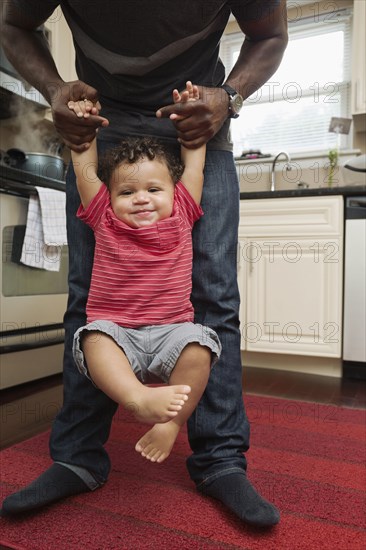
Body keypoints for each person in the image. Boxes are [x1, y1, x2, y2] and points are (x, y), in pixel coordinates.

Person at [0, 0, 288, 527]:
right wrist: (55, 91)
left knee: (215, 299)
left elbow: (271, 36)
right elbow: (13, 23)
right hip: (101, 121)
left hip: (199, 123)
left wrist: (228, 98)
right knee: (87, 301)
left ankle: (220, 460)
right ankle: (77, 457)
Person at [68, 85, 221, 464]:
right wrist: (82, 125)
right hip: (118, 333)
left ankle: (170, 424)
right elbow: (84, 167)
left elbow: (195, 163)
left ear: (173, 193)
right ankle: (137, 397)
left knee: (201, 346)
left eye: (154, 188)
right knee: (92, 338)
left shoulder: (183, 211)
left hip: (173, 330)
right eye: (127, 191)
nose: (141, 197)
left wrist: (189, 115)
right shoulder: (103, 216)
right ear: (111, 196)